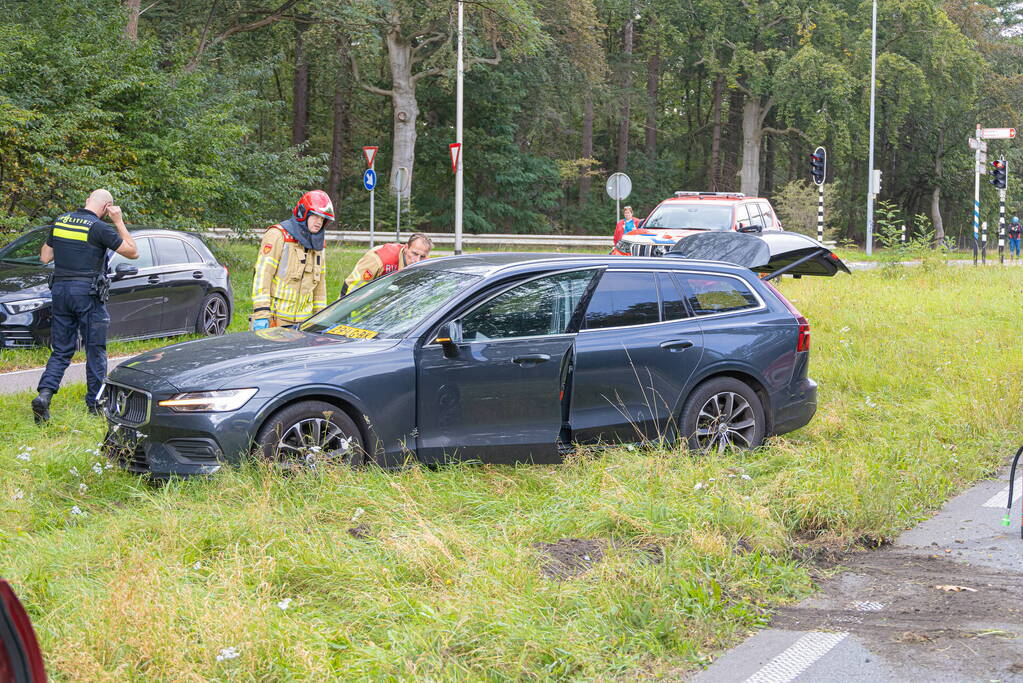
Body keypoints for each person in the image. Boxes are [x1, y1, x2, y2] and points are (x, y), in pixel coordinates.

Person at [32, 189, 139, 423]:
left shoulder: (61, 221)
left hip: (60, 292)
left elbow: (45, 256)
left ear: (87, 200)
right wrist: (119, 221)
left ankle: (44, 395)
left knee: (61, 350)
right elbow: (132, 251)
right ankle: (95, 404)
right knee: (95, 349)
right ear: (106, 207)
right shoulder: (99, 227)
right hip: (87, 294)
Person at [251, 190, 334, 330]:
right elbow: (262, 275)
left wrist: (320, 319)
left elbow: (320, 286)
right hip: (275, 320)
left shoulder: (319, 245)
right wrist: (261, 314)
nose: (319, 222)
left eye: (322, 219)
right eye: (315, 216)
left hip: (304, 323)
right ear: (303, 214)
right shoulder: (278, 235)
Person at [341, 233, 433, 295]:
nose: (417, 260)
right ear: (406, 248)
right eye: (414, 253)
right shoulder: (381, 258)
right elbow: (352, 286)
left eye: (422, 256)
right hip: (364, 302)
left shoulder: (425, 265)